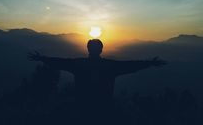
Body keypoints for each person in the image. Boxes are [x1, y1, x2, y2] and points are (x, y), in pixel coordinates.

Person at [28, 39, 166, 109]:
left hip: (82, 107)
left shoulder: (79, 64)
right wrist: (150, 63)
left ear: (88, 49)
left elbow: (60, 62)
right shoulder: (110, 66)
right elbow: (130, 66)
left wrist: (41, 58)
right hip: (104, 108)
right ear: (101, 50)